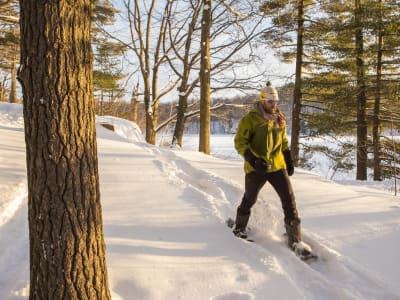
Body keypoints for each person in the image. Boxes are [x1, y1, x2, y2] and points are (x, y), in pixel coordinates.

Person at [233, 81, 312, 256]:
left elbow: (283, 142)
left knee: (289, 201)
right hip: (257, 167)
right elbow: (240, 142)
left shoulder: (279, 119)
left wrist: (288, 159)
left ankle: (295, 239)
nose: (273, 105)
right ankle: (239, 228)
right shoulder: (250, 119)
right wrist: (253, 160)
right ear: (262, 101)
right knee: (250, 198)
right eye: (270, 101)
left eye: (275, 102)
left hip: (277, 166)